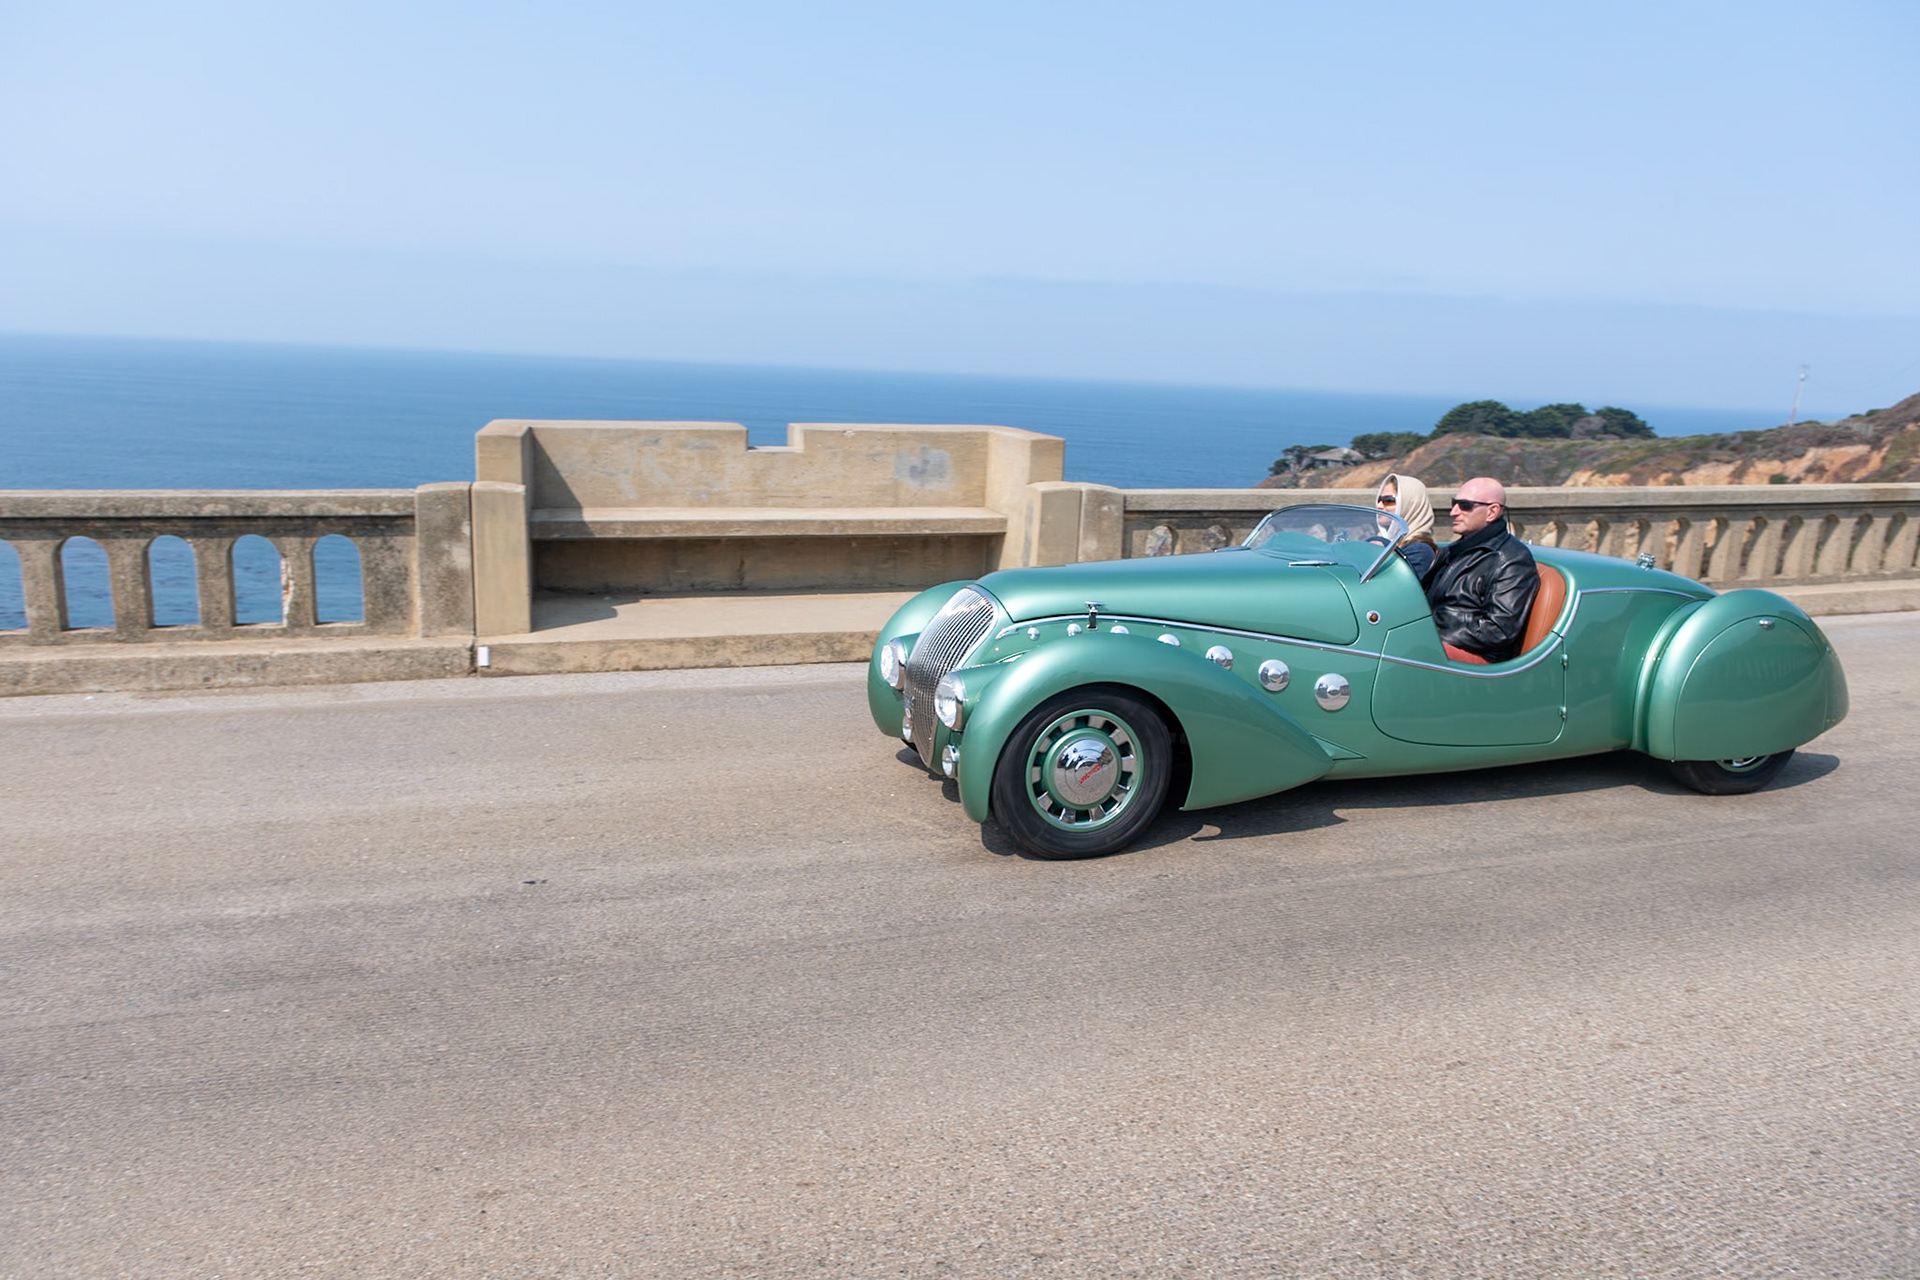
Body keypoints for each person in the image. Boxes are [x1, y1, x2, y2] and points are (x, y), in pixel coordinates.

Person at [1423, 476, 1539, 664]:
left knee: (1399, 650)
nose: (1453, 512)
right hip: (1438, 643)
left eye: (1465, 505)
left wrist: (1431, 637)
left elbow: (1499, 629)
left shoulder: (1511, 559)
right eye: (1454, 504)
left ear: (1492, 512)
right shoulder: (1454, 551)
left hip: (1477, 657)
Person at [1374, 472, 1437, 579]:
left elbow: (1394, 585)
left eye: (1388, 500)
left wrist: (1377, 552)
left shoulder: (1419, 551)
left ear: (1410, 504)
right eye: (1379, 499)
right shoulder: (1381, 540)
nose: (1378, 505)